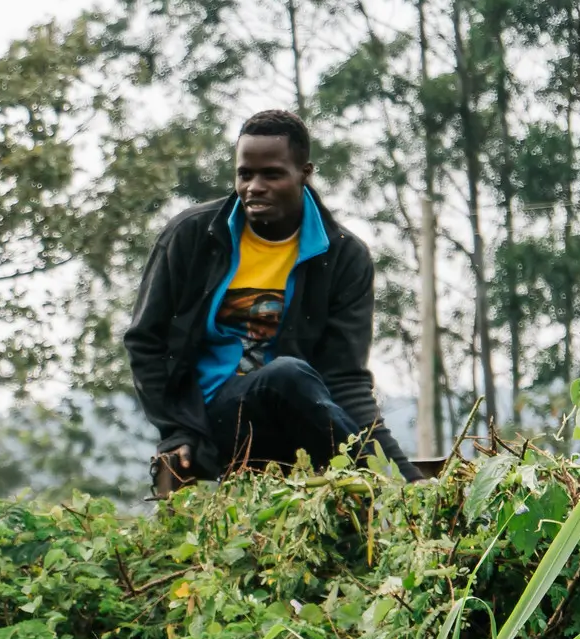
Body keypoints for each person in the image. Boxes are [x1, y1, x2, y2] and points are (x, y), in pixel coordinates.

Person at [124, 109, 422, 489]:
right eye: (244, 174)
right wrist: (176, 430)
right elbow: (145, 341)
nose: (254, 187)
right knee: (286, 374)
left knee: (289, 376)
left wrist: (401, 471)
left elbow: (344, 379)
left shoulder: (343, 256)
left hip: (296, 422)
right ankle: (387, 485)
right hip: (208, 422)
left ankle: (392, 490)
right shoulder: (191, 237)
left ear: (305, 174)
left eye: (272, 174)